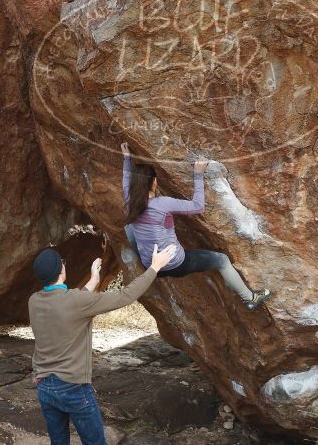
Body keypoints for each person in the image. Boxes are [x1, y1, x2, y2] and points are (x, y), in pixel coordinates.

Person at [29, 243, 177, 445]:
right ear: (61, 270)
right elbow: (126, 295)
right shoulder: (76, 301)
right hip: (73, 387)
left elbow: (71, 302)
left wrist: (94, 280)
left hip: (44, 386)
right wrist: (155, 267)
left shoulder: (34, 301)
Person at [121, 142, 272, 310]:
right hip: (175, 264)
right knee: (222, 261)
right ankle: (250, 297)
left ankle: (145, 256)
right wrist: (198, 175)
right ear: (154, 183)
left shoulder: (130, 201)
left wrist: (127, 159)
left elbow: (126, 179)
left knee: (130, 228)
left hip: (151, 265)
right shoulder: (163, 203)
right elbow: (197, 206)